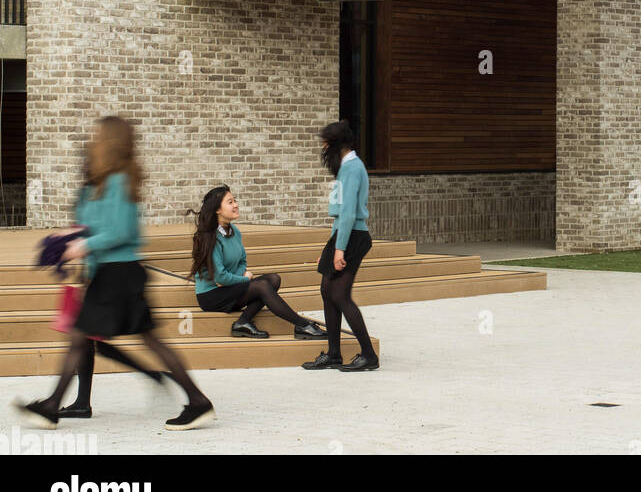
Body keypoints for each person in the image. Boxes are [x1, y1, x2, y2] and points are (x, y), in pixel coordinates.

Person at [15, 116, 215, 429]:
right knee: (138, 340)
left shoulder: (120, 180)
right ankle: (197, 401)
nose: (92, 139)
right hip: (112, 273)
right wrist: (70, 242)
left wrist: (82, 247)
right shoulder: (104, 182)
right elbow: (96, 228)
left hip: (118, 273)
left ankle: (52, 406)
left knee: (85, 337)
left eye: (97, 134)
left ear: (109, 140)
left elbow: (121, 230)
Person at [190, 185, 327, 340]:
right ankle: (302, 325)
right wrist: (244, 279)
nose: (236, 205)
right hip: (211, 295)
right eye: (230, 202)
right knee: (262, 286)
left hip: (228, 287)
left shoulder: (234, 231)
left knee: (273, 279)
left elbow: (242, 260)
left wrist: (237, 278)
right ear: (217, 210)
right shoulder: (210, 237)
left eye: (235, 200)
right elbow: (220, 278)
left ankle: (242, 322)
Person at [303, 120, 378, 372]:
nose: (323, 147)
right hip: (343, 235)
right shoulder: (347, 166)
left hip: (353, 236)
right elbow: (341, 217)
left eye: (325, 142)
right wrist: (332, 246)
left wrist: (339, 249)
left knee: (339, 294)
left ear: (334, 144)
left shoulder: (353, 168)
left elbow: (347, 213)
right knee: (327, 291)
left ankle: (369, 355)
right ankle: (334, 354)